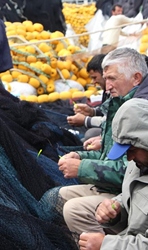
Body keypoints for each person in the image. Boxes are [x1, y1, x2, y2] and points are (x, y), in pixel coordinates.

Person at [58, 47, 148, 235]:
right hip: (124, 193)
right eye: (105, 79)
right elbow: (114, 154)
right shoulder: (120, 103)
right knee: (60, 197)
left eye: (112, 79)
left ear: (136, 78)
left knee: (73, 209)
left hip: (125, 192)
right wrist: (80, 155)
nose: (106, 86)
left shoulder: (137, 111)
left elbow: (131, 169)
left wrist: (82, 167)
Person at [79, 98, 148, 250]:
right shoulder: (140, 163)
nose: (129, 158)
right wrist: (115, 211)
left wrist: (106, 245)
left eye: (132, 150)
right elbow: (134, 200)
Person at [67, 54, 108, 145]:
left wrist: (85, 120)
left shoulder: (120, 91)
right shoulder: (107, 91)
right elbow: (108, 111)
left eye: (95, 77)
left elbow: (111, 121)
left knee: (91, 134)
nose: (93, 83)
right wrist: (91, 112)